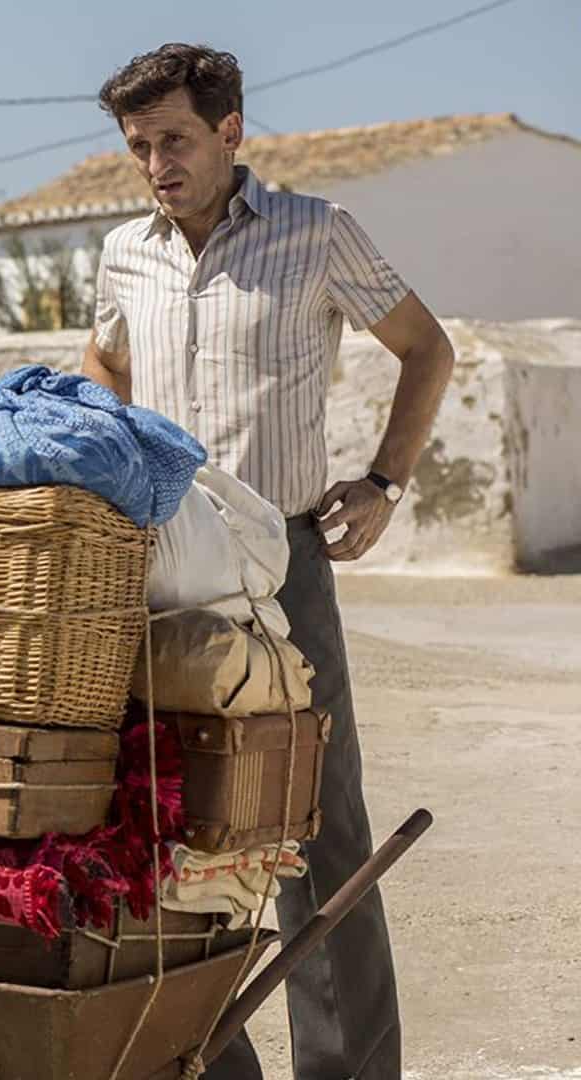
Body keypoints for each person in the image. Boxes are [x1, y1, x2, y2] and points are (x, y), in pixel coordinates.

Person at [83, 44, 455, 1080]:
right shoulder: (123, 252)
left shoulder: (315, 232)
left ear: (231, 130)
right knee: (172, 823)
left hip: (282, 561)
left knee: (316, 824)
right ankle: (213, 1064)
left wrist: (384, 483)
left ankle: (348, 1072)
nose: (157, 162)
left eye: (176, 139)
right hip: (160, 567)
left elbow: (428, 347)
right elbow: (105, 362)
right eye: (139, 145)